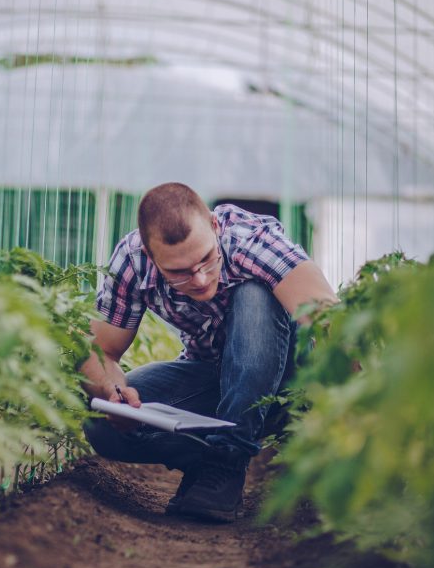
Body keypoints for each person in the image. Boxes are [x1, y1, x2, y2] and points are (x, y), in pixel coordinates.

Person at [80, 182, 337, 522]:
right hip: (214, 377)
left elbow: (330, 324)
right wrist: (114, 394)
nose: (199, 279)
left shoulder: (253, 243)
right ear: (149, 252)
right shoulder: (132, 262)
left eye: (206, 259)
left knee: (254, 294)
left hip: (288, 384)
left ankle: (227, 461)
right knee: (102, 426)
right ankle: (211, 458)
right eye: (179, 272)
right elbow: (101, 352)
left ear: (215, 227)